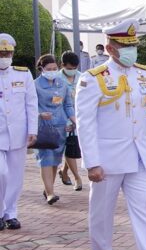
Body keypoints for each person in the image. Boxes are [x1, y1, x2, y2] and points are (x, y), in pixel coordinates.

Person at [76, 19, 146, 250]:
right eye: (125, 46)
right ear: (110, 47)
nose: (131, 51)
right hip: (107, 160)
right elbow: (86, 124)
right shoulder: (92, 80)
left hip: (140, 157)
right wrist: (92, 163)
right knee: (102, 213)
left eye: (134, 45)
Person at [0, 33, 38, 230]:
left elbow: (31, 103)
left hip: (18, 133)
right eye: (1, 53)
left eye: (8, 52)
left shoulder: (23, 74)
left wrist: (33, 129)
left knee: (15, 175)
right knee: (1, 173)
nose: (5, 56)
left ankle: (10, 213)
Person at [34, 54, 76, 205]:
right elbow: (29, 106)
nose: (52, 71)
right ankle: (51, 193)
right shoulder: (35, 85)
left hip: (60, 127)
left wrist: (74, 120)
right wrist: (39, 114)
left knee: (55, 160)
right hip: (43, 127)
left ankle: (48, 189)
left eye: (55, 68)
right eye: (48, 69)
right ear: (41, 69)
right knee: (45, 159)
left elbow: (68, 105)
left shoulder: (62, 84)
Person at [59, 51, 84, 190]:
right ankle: (77, 177)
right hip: (63, 117)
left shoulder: (82, 77)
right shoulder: (56, 78)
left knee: (74, 147)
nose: (72, 71)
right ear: (62, 65)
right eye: (69, 68)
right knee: (69, 146)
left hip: (78, 117)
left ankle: (64, 171)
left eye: (74, 68)